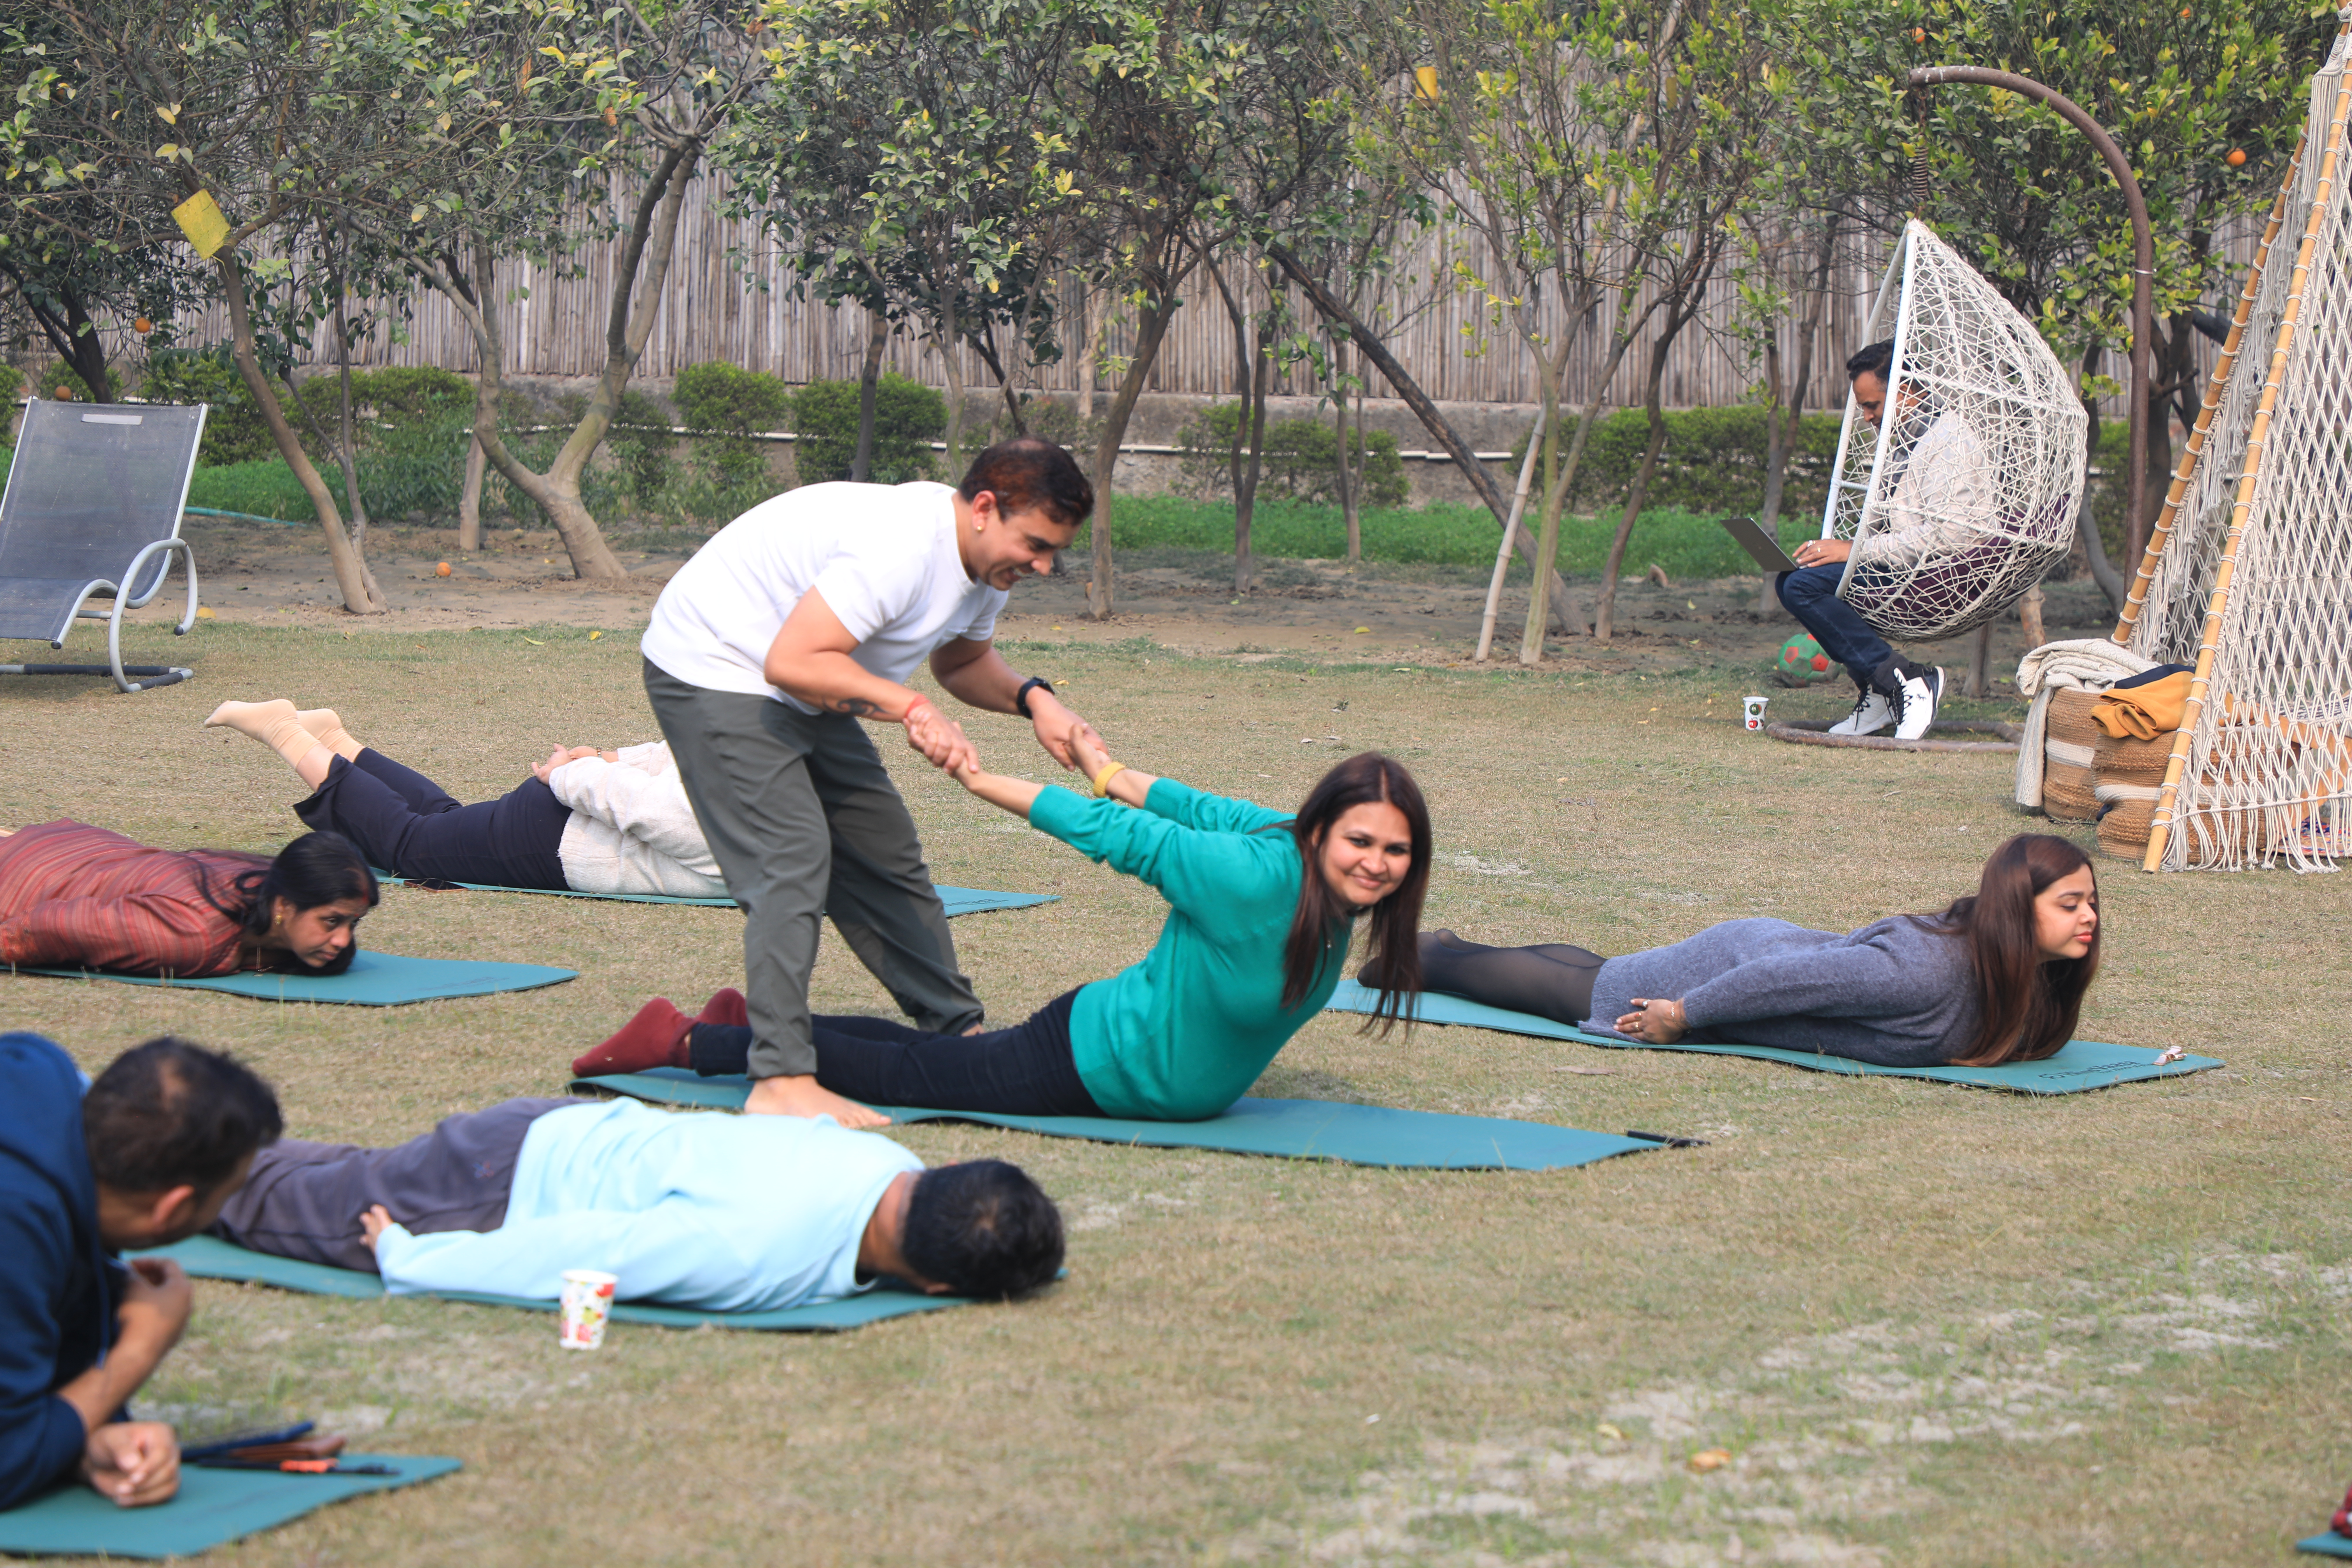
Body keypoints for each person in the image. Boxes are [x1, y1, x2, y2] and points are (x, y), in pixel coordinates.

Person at [577, 740, 1432, 1125]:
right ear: (1321, 833)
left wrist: (1110, 768)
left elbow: (1206, 807)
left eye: (1397, 851)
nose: (1378, 864)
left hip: (1126, 1065)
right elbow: (1121, 837)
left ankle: (745, 1023)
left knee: (937, 1064)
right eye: (1363, 842)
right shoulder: (1253, 879)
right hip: (1099, 1063)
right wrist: (984, 781)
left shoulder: (1308, 862)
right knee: (916, 1076)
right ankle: (690, 1042)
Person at [638, 435, 1105, 1128]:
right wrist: (910, 707)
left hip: (802, 680)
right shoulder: (904, 547)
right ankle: (780, 1079)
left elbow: (963, 661)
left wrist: (1039, 699)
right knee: (792, 858)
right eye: (1035, 543)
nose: (1042, 563)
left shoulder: (981, 568)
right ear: (984, 507)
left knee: (883, 850)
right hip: (717, 664)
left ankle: (959, 1039)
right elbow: (791, 660)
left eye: (1053, 551)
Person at [205, 1097, 1063, 1310]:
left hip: (553, 1134)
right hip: (493, 1193)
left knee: (329, 1175)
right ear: (941, 1289)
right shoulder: (751, 1251)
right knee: (243, 1200)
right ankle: (114, 1132)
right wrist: (413, 1259)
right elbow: (584, 1253)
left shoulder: (885, 1156)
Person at [1367, 833, 2100, 1069]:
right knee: (1589, 993)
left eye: (2090, 901)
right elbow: (1786, 980)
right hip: (1740, 965)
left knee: (1601, 971)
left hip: (1766, 952)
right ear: (2015, 911)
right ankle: (1431, 956)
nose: (2088, 917)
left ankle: (1456, 945)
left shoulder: (2028, 984)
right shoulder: (1923, 972)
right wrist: (1683, 1014)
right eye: (2069, 904)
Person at [0, 1034, 282, 1511]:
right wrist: (140, 1348)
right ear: (172, 1208)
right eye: (226, 1194)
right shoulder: (17, 1219)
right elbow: (7, 1461)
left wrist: (85, 1442)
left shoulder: (38, 1071)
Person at [202, 701, 725, 898]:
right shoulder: (770, 837)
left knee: (436, 824)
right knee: (410, 845)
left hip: (562, 823)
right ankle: (282, 730)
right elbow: (648, 802)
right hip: (556, 836)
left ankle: (335, 742)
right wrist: (586, 767)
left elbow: (680, 762)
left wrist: (604, 760)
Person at [1777, 338, 1994, 741]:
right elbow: (1887, 529)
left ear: (1906, 391)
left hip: (1940, 575)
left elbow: (1952, 536)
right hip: (1903, 568)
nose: (1866, 417)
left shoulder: (1949, 443)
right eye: (1863, 406)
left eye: (1872, 405)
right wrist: (1835, 551)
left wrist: (1855, 552)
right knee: (1792, 579)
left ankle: (1907, 680)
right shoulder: (1904, 444)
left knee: (1804, 586)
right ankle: (1879, 688)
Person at [0, 822, 376, 977]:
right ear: (283, 907)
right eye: (331, 921)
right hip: (23, 877)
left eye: (351, 923)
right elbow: (47, 926)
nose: (344, 940)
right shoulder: (190, 934)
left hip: (80, 847)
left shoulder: (261, 883)